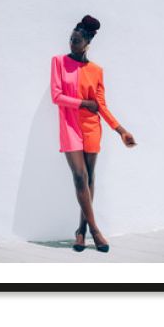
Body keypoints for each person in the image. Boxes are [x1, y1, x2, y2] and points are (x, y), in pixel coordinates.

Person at [50, 15, 137, 253]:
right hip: (69, 126)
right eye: (70, 38)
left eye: (76, 40)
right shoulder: (58, 61)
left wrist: (121, 131)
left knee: (89, 178)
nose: (71, 42)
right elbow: (56, 97)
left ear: (87, 43)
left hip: (91, 128)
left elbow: (101, 105)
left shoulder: (97, 71)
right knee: (79, 178)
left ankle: (81, 230)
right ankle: (96, 230)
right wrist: (82, 103)